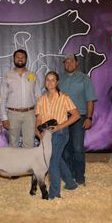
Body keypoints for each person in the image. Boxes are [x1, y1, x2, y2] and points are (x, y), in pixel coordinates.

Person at [36, 71, 80, 199]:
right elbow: (39, 118)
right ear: (45, 82)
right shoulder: (41, 99)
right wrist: (39, 130)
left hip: (60, 133)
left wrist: (60, 126)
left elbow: (76, 115)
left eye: (53, 80)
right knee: (57, 159)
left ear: (57, 82)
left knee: (52, 161)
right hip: (46, 134)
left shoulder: (64, 97)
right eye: (48, 80)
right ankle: (71, 184)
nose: (50, 82)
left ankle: (54, 193)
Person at [60, 53, 97, 186]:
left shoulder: (84, 79)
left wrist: (89, 117)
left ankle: (80, 177)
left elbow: (90, 99)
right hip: (62, 118)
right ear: (64, 64)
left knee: (77, 147)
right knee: (64, 148)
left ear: (77, 63)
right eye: (66, 62)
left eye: (72, 61)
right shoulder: (59, 79)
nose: (69, 64)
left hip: (79, 117)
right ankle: (69, 176)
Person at [0, 49, 42, 148]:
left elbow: (38, 96)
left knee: (29, 143)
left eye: (22, 57)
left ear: (26, 59)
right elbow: (2, 98)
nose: (20, 59)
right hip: (12, 114)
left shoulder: (33, 75)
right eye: (18, 57)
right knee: (13, 143)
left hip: (30, 114)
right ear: (14, 59)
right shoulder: (7, 76)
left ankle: (28, 164)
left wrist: (39, 115)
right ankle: (13, 164)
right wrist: (4, 117)